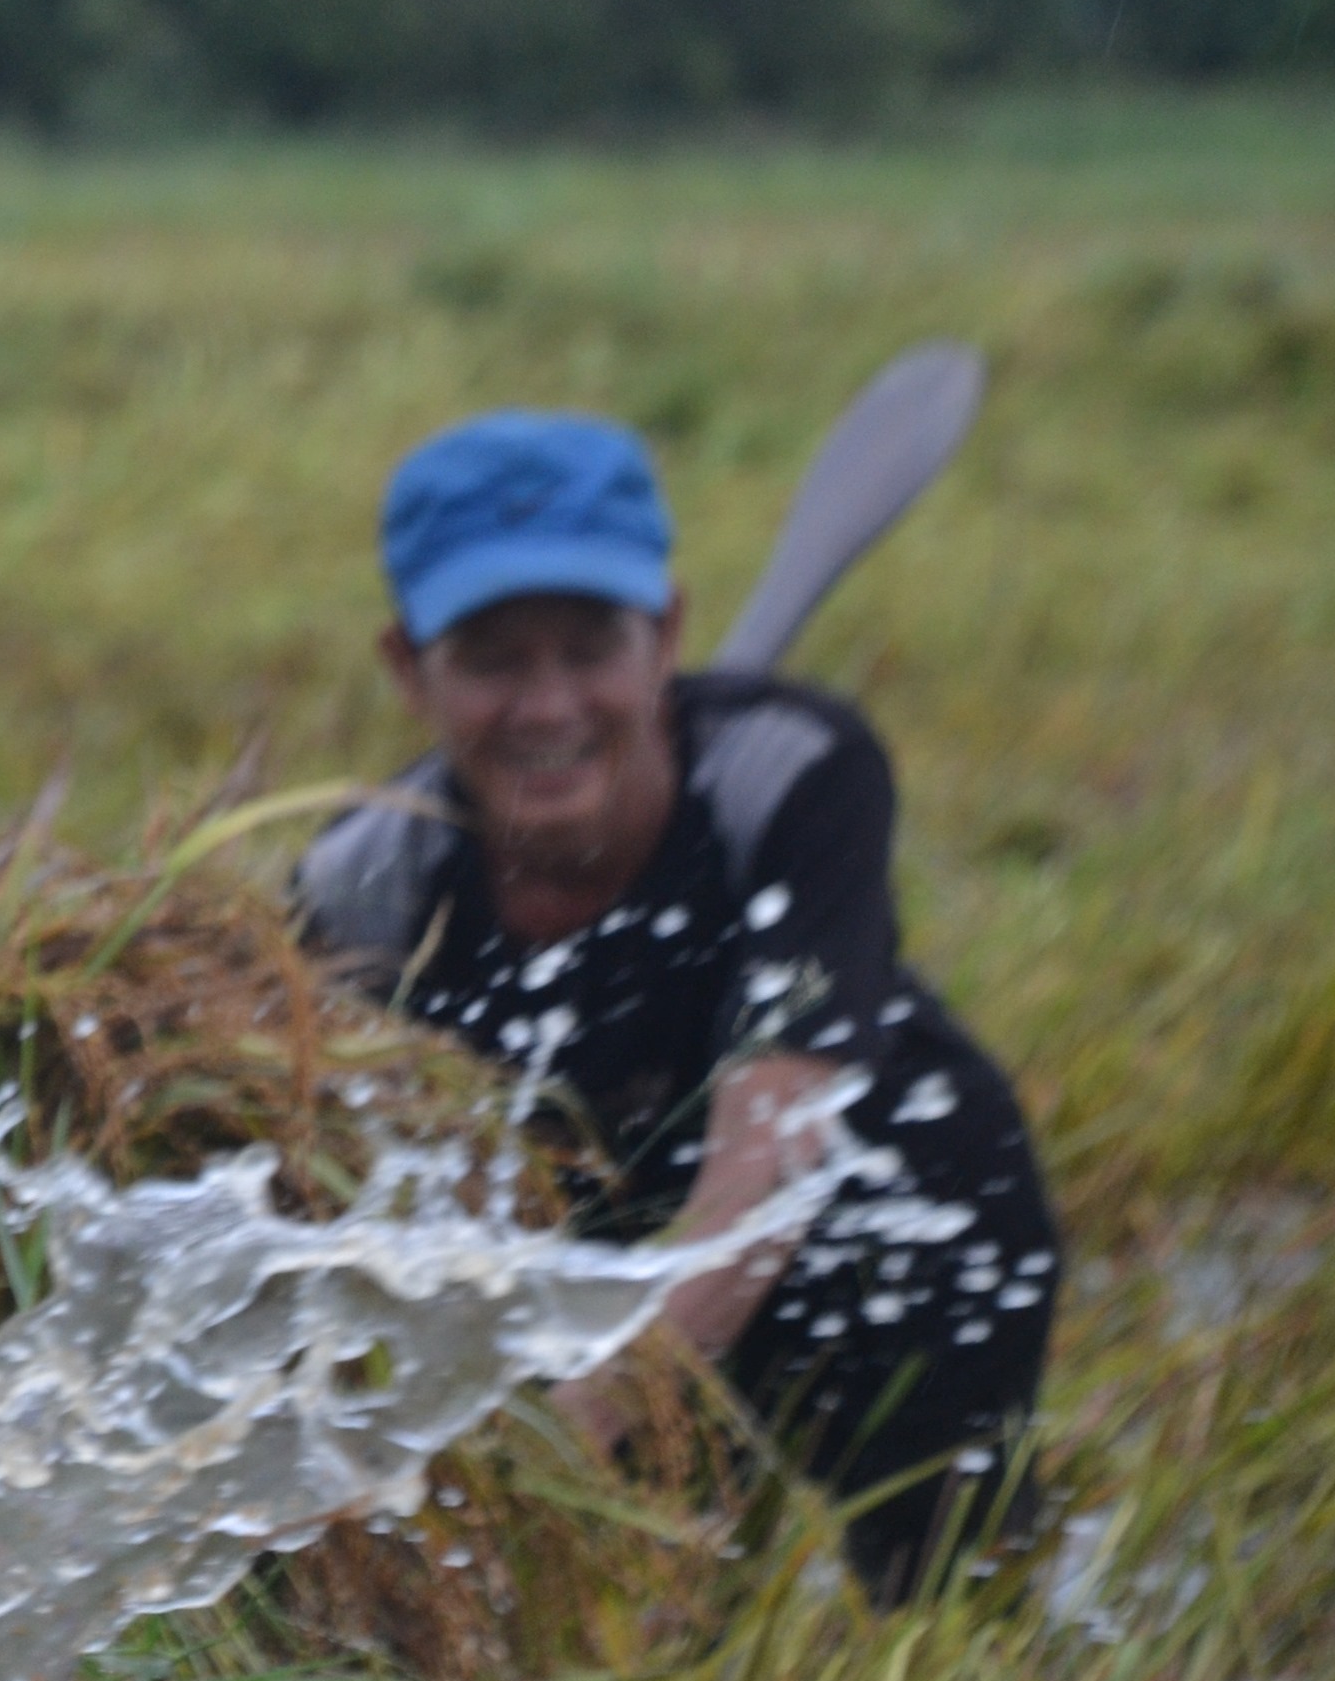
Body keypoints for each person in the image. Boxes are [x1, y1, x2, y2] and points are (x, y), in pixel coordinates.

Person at [295, 411, 1056, 1605]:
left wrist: (553, 1439)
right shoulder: (366, 887)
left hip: (894, 1222)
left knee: (952, 1603)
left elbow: (764, 1190)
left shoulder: (788, 773)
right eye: (493, 658)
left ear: (666, 638)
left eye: (589, 648)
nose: (547, 708)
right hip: (606, 1248)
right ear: (408, 671)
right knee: (628, 1635)